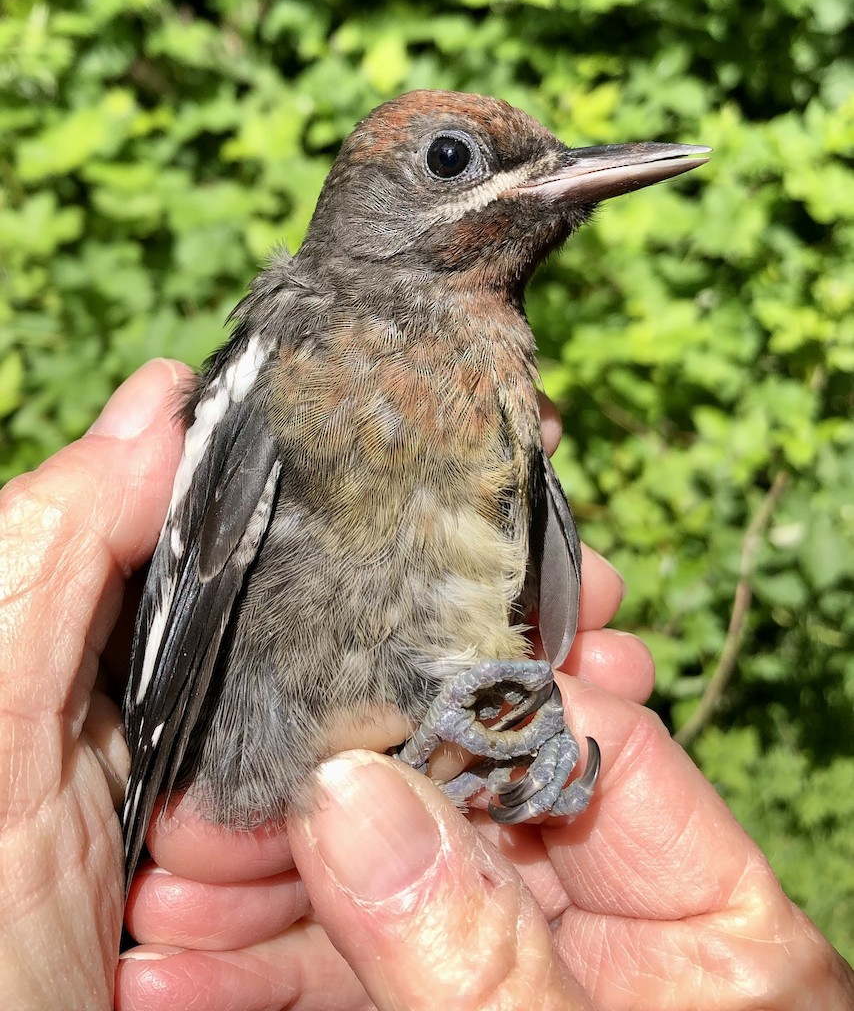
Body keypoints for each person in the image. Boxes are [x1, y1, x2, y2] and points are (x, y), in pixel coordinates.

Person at [0, 359, 851, 1011]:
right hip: (257, 742)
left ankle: (459, 762)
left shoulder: (502, 389)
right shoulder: (286, 357)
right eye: (451, 162)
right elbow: (180, 644)